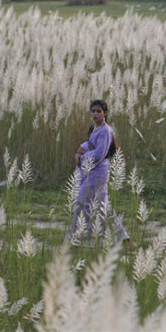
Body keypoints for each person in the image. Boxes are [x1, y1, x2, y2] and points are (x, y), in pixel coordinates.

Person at [66, 100, 129, 246]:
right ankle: (122, 236)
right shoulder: (94, 128)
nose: (95, 114)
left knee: (82, 202)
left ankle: (78, 238)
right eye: (93, 111)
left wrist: (81, 156)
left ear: (105, 113)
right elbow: (90, 145)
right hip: (90, 171)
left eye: (98, 111)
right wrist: (81, 149)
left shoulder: (106, 131)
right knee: (103, 204)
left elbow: (99, 154)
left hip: (99, 171)